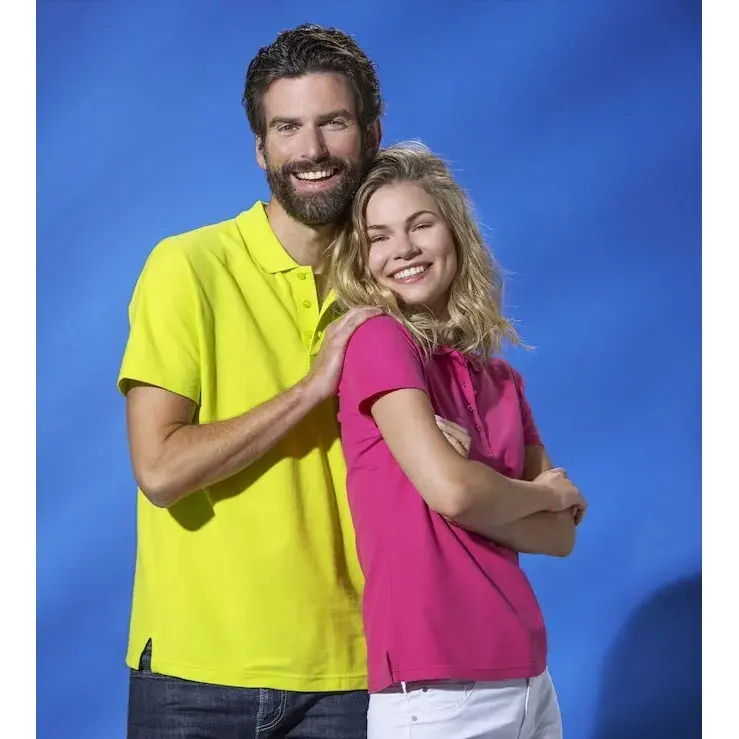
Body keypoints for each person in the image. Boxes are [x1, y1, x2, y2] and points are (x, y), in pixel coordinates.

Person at [117, 24, 385, 738]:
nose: (312, 149)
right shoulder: (187, 268)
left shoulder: (396, 278)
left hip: (357, 673)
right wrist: (310, 390)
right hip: (194, 674)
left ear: (370, 133)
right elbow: (160, 469)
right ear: (261, 148)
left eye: (333, 122)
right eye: (287, 127)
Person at [329, 142, 588, 739]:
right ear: (362, 258)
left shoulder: (500, 380)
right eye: (379, 236)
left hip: (530, 677)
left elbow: (559, 537)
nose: (403, 249)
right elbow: (454, 494)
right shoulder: (379, 341)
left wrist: (480, 488)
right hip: (436, 687)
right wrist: (542, 493)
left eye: (420, 224)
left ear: (455, 231)